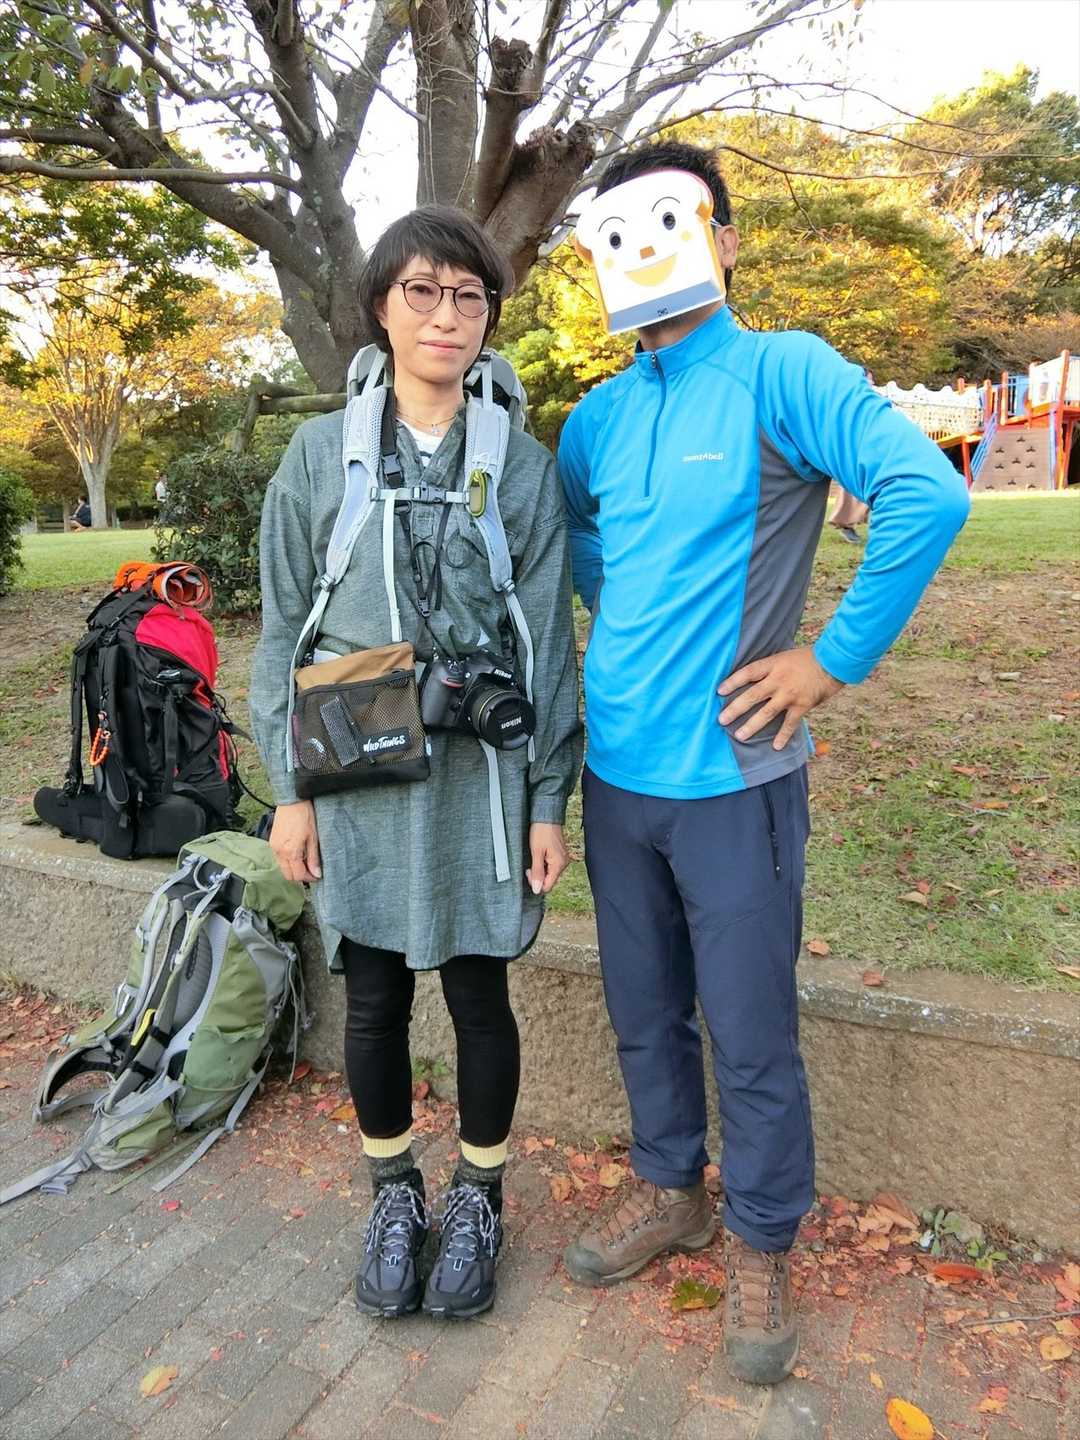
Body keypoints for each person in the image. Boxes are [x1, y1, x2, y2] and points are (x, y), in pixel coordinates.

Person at [557, 141, 970, 1385]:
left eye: (673, 221)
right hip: (615, 779)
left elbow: (925, 494)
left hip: (735, 783)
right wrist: (623, 617)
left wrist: (828, 662)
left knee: (748, 1032)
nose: (644, 249)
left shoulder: (784, 371)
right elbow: (581, 534)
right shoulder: (597, 417)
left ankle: (762, 1238)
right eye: (617, 233)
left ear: (724, 241)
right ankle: (672, 1190)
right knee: (643, 1012)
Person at [250, 205, 583, 1321]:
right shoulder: (319, 454)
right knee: (375, 997)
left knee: (482, 994)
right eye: (423, 292)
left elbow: (548, 641)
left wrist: (547, 798)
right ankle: (392, 1192)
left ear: (489, 318)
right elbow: (283, 629)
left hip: (480, 781)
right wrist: (289, 794)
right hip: (354, 763)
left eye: (469, 297)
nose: (447, 316)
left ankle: (480, 1197)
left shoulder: (520, 465)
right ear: (383, 308)